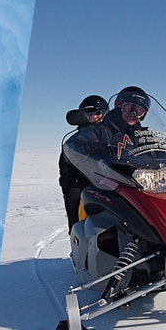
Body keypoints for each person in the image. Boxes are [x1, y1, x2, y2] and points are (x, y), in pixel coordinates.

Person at [58, 95, 108, 232]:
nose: (94, 117)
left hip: (118, 180)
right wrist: (70, 190)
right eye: (89, 113)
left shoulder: (115, 135)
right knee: (75, 197)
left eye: (97, 113)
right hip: (88, 183)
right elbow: (66, 171)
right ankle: (79, 238)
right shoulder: (75, 142)